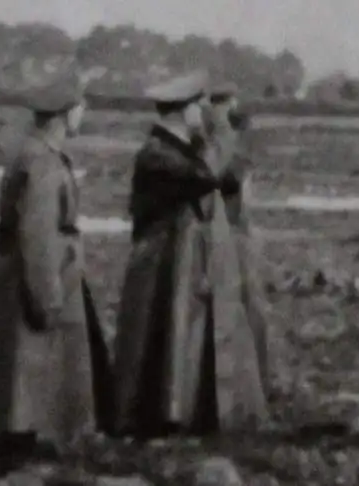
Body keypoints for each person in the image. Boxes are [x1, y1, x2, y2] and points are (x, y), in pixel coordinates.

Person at [113, 70, 269, 440]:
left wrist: (239, 144)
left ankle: (188, 415)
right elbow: (204, 176)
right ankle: (155, 420)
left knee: (183, 339)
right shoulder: (157, 154)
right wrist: (223, 133)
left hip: (181, 261)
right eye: (199, 105)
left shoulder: (183, 148)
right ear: (184, 110)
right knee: (161, 342)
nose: (205, 110)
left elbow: (226, 178)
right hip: (159, 265)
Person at [0, 58, 114, 471]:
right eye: (81, 107)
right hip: (37, 281)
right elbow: (37, 237)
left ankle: (21, 448)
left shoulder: (35, 154)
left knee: (29, 371)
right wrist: (47, 296)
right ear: (65, 113)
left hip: (30, 277)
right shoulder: (43, 163)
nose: (83, 114)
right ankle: (16, 457)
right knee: (29, 367)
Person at [207, 82, 270, 397]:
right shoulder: (224, 144)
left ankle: (258, 378)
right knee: (246, 306)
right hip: (232, 230)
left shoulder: (230, 146)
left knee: (248, 305)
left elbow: (228, 179)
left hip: (235, 232)